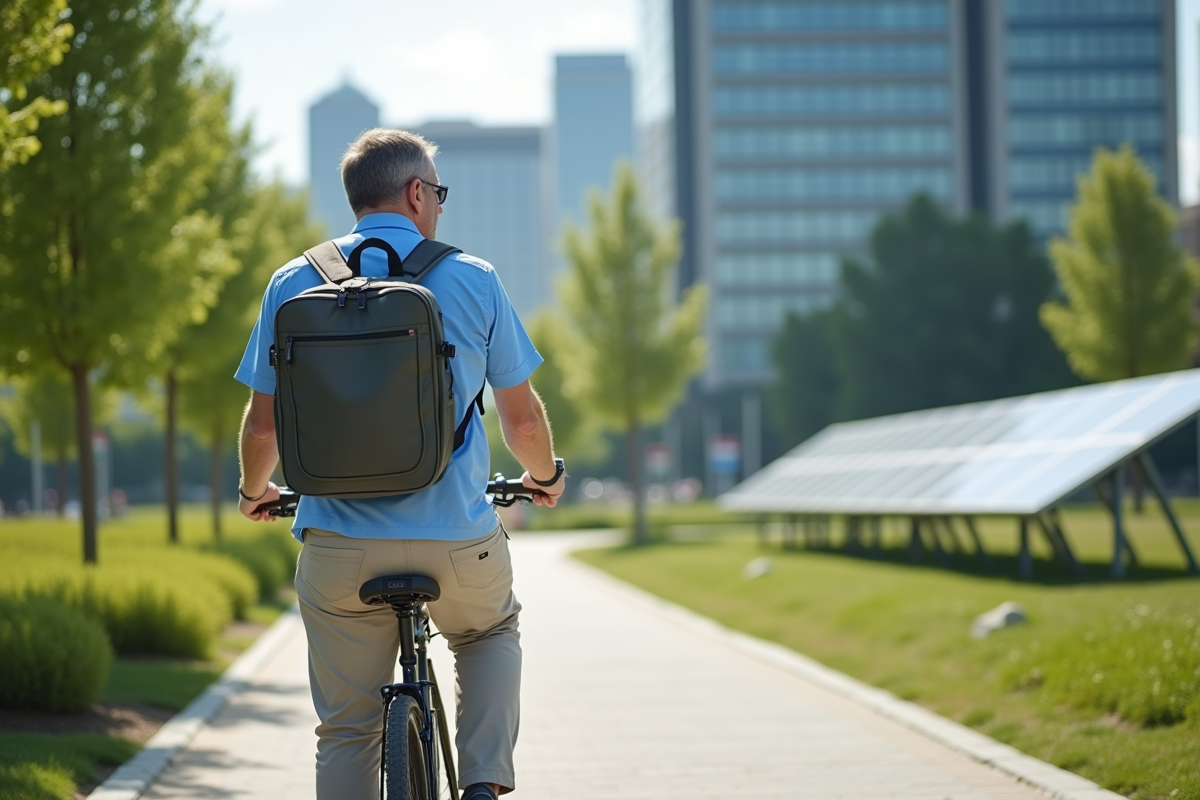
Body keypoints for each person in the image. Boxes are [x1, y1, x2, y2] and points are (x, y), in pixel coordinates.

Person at [234, 128, 564, 800]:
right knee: (489, 631)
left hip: (339, 547)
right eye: (438, 193)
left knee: (347, 730)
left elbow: (264, 425)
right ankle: (482, 782)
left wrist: (252, 490)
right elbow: (524, 422)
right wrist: (545, 476)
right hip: (458, 539)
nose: (439, 205)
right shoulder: (474, 279)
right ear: (416, 193)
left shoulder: (291, 283)